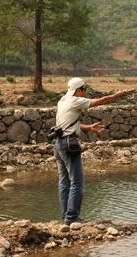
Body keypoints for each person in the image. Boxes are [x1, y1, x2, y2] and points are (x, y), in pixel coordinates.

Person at [54, 77, 131, 225]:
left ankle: (65, 217)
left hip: (58, 144)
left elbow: (67, 124)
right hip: (70, 144)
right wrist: (118, 95)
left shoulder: (62, 101)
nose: (85, 92)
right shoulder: (75, 100)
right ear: (78, 90)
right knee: (76, 182)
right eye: (84, 90)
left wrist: (89, 128)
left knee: (64, 183)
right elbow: (101, 101)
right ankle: (72, 218)